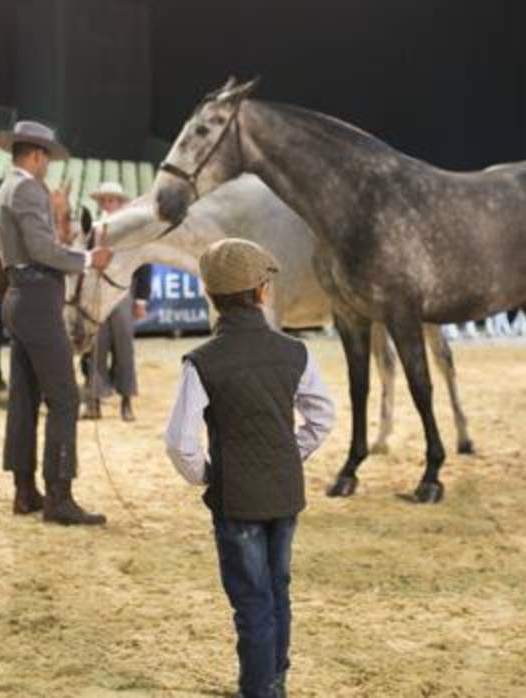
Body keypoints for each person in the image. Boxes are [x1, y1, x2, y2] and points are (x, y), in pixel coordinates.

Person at [164, 239, 335, 698]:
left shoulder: (201, 361)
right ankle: (276, 678)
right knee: (279, 589)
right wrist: (290, 453)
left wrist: (206, 475)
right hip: (284, 493)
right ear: (261, 292)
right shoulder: (295, 351)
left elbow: (180, 441)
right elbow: (322, 417)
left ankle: (258, 690)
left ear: (211, 295)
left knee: (251, 601)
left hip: (235, 499)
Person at [0, 120, 114, 526]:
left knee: (24, 398)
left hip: (17, 294)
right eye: (47, 159)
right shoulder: (27, 188)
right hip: (38, 297)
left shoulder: (5, 189)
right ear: (37, 155)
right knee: (64, 398)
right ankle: (59, 497)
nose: (48, 167)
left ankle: (24, 491)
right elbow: (42, 248)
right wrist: (86, 260)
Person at [80, 181, 151, 422]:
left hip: (122, 293)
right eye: (105, 200)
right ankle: (94, 400)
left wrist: (140, 299)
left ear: (120, 203)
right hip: (98, 293)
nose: (108, 204)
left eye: (113, 200)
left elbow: (143, 264)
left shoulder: (131, 230)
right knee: (96, 347)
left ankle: (126, 401)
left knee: (124, 347)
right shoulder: (91, 230)